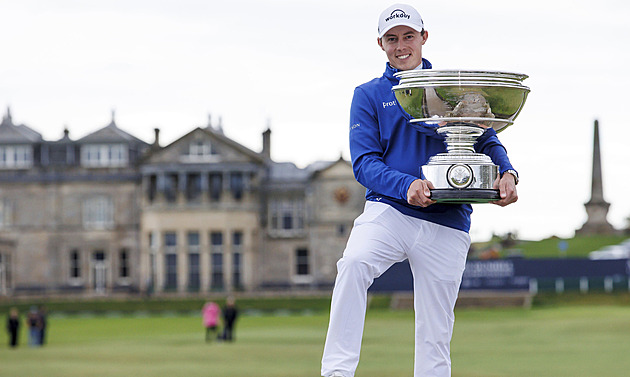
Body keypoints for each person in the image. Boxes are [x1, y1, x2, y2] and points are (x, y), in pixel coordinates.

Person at [320, 4, 518, 377]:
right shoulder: (368, 94)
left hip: (448, 220)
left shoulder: (453, 86)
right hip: (390, 212)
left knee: (436, 331)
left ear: (423, 38)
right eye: (392, 39)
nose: (401, 46)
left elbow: (486, 138)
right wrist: (406, 184)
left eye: (408, 36)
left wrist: (507, 173)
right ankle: (336, 372)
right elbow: (364, 163)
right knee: (354, 264)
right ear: (381, 44)